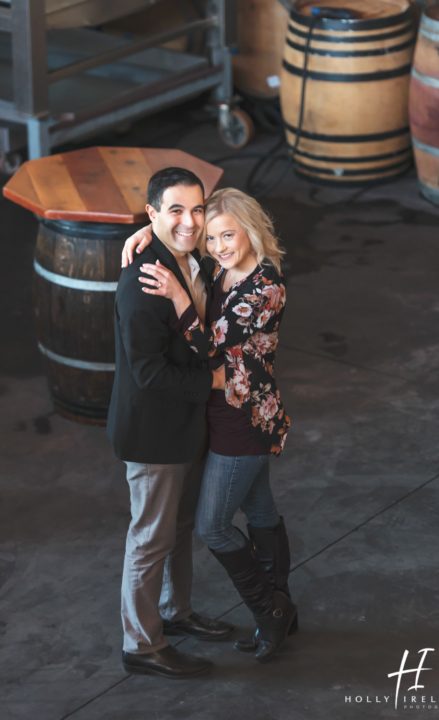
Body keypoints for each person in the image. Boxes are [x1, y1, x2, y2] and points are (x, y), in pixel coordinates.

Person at [123, 187, 297, 663]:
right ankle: (283, 609)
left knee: (212, 526)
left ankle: (270, 612)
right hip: (221, 413)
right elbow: (186, 234)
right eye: (213, 238)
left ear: (250, 230)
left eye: (228, 235)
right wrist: (150, 229)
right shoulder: (220, 268)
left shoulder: (266, 287)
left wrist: (178, 295)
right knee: (259, 511)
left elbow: (208, 346)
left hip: (244, 418)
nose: (219, 245)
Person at [107, 167, 235, 681]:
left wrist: (158, 229)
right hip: (155, 429)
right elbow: (147, 373)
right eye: (174, 210)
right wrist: (215, 382)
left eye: (196, 209)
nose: (189, 221)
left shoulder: (190, 256)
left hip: (187, 425)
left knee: (179, 529)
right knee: (150, 538)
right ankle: (140, 643)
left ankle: (175, 615)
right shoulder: (143, 281)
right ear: (152, 213)